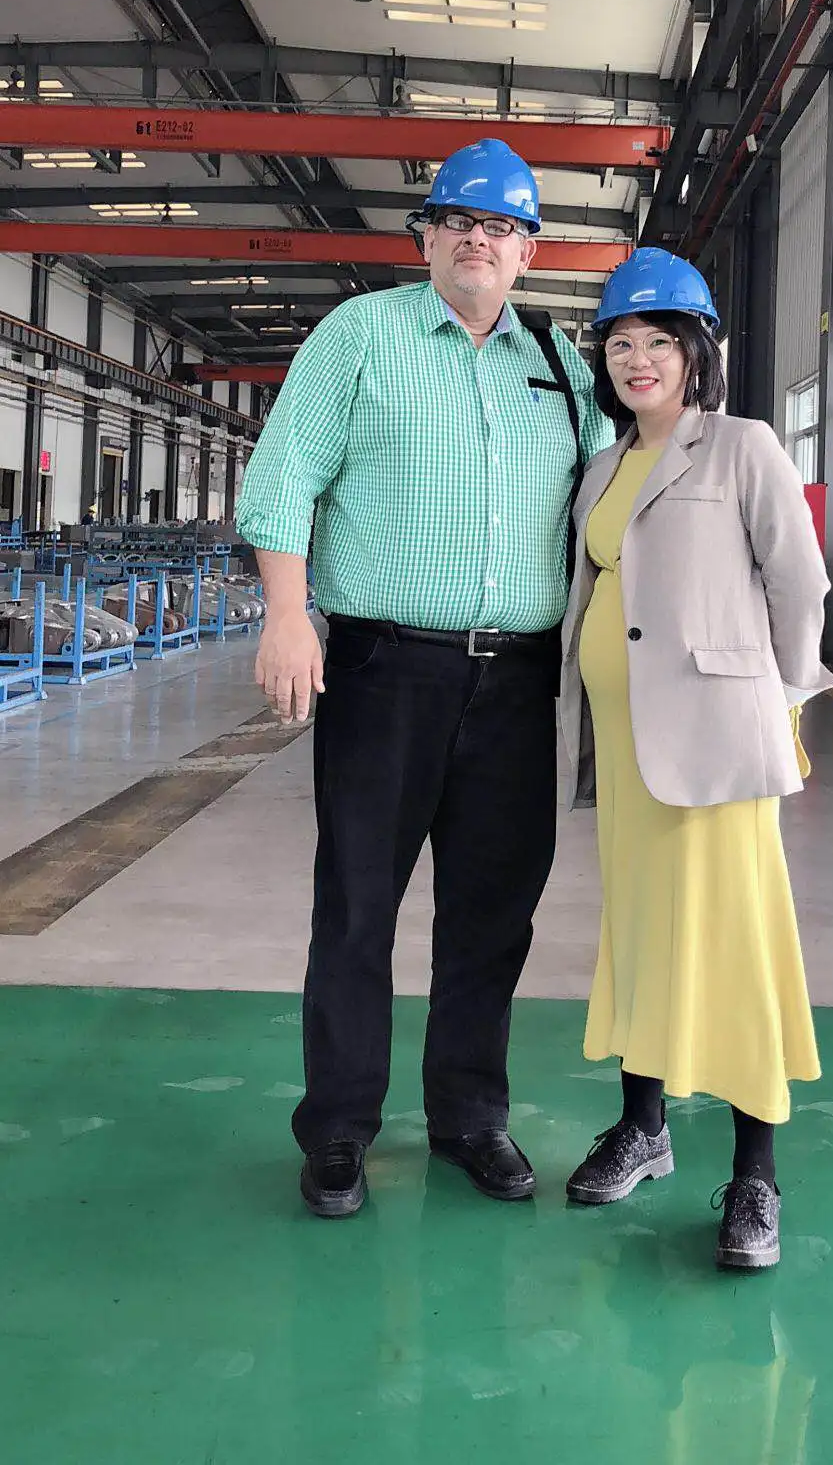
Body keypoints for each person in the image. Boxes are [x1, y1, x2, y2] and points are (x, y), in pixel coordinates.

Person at [235, 139, 612, 1220]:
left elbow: (621, 492)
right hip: (385, 669)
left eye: (500, 227)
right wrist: (286, 616)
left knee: (493, 912)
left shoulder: (561, 366)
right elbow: (284, 479)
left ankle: (469, 1116)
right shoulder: (362, 337)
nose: (477, 240)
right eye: (457, 221)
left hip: (518, 682)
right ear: (427, 238)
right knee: (358, 903)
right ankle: (339, 1128)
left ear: (530, 250)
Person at [558, 248, 833, 1270]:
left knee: (736, 942)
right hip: (626, 752)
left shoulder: (742, 448)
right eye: (620, 344)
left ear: (696, 353)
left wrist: (782, 700)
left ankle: (756, 1175)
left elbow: (800, 585)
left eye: (658, 342)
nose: (637, 360)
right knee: (638, 932)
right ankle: (643, 1128)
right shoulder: (602, 466)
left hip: (716, 746)